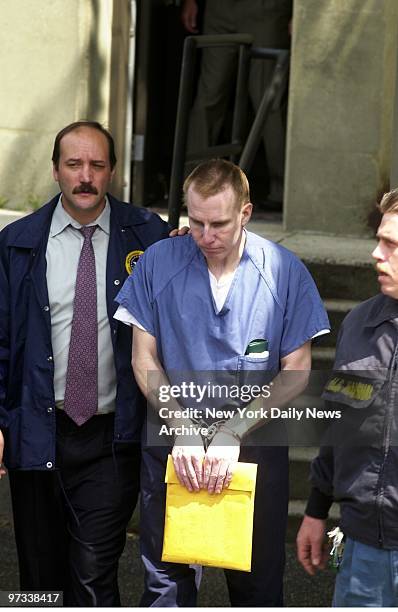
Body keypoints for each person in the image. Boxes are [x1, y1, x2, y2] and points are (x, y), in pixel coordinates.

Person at [114, 158, 330, 606]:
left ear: (246, 213)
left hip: (254, 450)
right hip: (175, 446)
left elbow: (296, 370)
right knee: (166, 590)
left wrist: (234, 431)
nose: (206, 236)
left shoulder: (284, 272)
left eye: (219, 224)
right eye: (195, 222)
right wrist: (183, 428)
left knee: (257, 590)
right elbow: (143, 358)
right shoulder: (159, 261)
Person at [0, 121, 172, 606]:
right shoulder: (17, 243)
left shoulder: (150, 236)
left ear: (112, 171)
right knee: (40, 581)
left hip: (110, 438)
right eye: (74, 165)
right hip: (38, 429)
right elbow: (0, 340)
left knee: (93, 573)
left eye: (97, 165)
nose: (85, 176)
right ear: (55, 170)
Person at [296, 188, 398, 606]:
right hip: (364, 551)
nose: (376, 253)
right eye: (379, 239)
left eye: (391, 244)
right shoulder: (359, 324)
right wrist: (317, 509)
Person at [181, 0, 292, 206]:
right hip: (219, 9)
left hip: (266, 9)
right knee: (209, 96)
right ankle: (193, 187)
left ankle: (284, 191)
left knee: (269, 100)